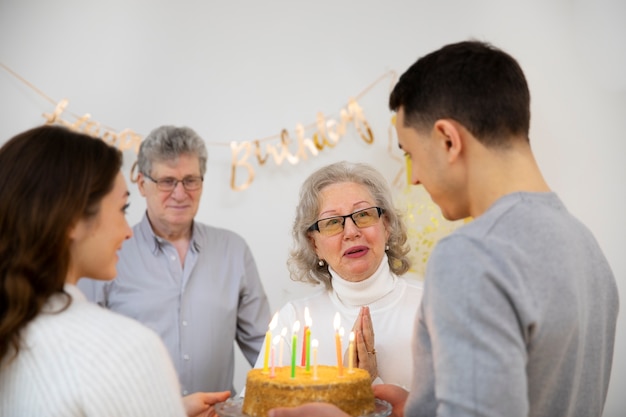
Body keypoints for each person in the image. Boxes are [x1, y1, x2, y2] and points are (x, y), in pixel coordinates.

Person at [267, 40, 619, 417]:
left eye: (410, 153)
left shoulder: (472, 255)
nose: (415, 178)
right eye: (333, 223)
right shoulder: (587, 247)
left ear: (448, 140)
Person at [0, 125, 230, 416]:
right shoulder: (128, 349)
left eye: (190, 180)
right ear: (72, 220)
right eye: (123, 208)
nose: (128, 232)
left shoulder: (13, 330)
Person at [78, 125, 271, 395]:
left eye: (191, 180)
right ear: (142, 184)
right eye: (167, 181)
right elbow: (85, 355)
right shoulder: (108, 254)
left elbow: (266, 350)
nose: (180, 194)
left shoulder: (234, 250)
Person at [252, 161, 422, 389]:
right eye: (332, 222)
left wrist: (372, 384)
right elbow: (260, 407)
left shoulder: (432, 306)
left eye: (363, 215)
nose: (352, 232)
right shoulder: (294, 321)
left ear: (387, 225)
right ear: (314, 244)